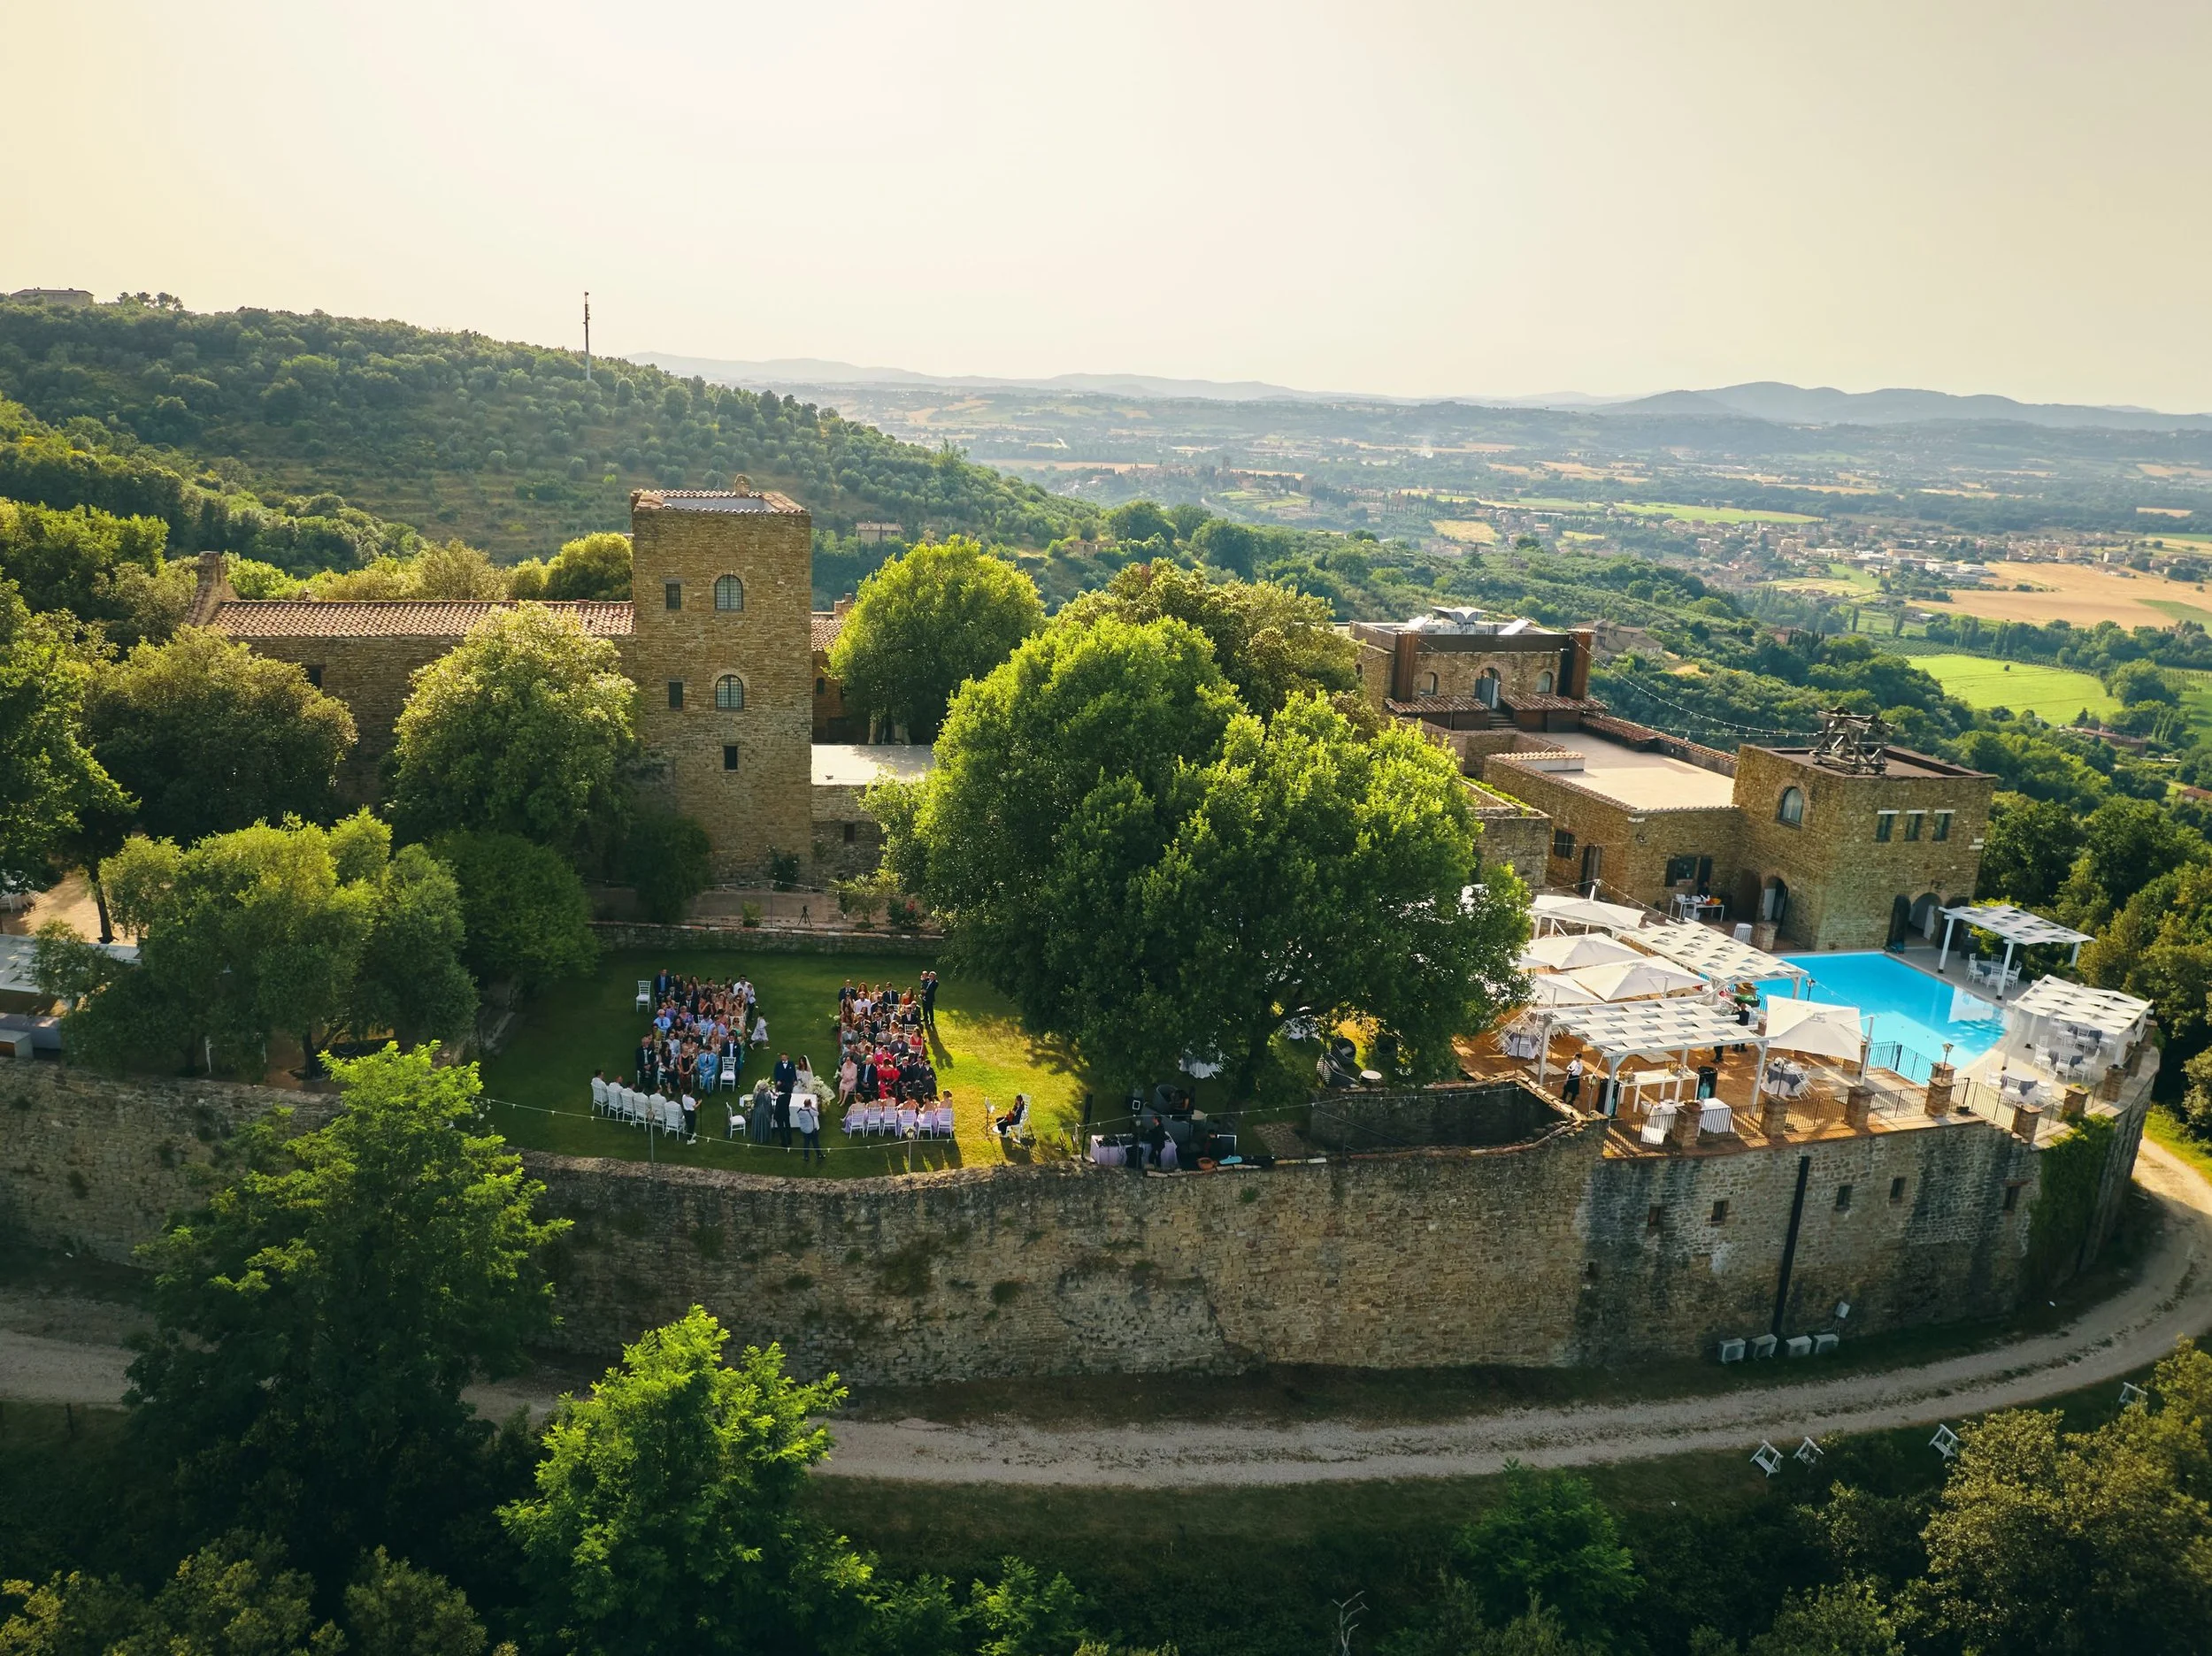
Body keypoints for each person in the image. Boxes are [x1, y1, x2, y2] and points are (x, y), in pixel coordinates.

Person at [794, 1092, 822, 1165]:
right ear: (809, 1104)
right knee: (815, 1143)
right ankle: (819, 1154)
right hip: (811, 1130)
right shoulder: (810, 1111)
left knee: (806, 1143)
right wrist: (812, 1107)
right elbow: (817, 1113)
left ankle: (806, 1156)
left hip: (804, 1129)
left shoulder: (799, 1110)